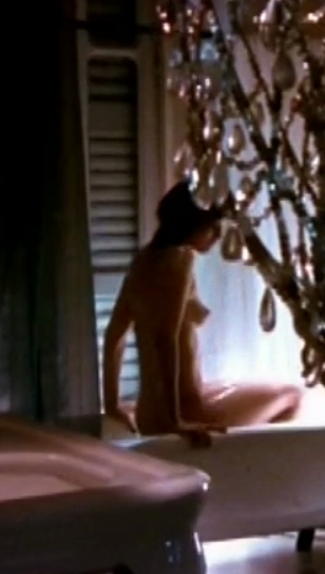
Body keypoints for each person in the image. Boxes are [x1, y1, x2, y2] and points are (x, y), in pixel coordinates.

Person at [102, 180, 304, 444]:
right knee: (292, 395)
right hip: (185, 411)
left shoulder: (142, 261)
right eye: (213, 228)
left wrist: (112, 404)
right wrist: (176, 422)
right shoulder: (179, 261)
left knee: (241, 384)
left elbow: (114, 336)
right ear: (192, 225)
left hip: (148, 414)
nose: (217, 236)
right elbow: (165, 340)